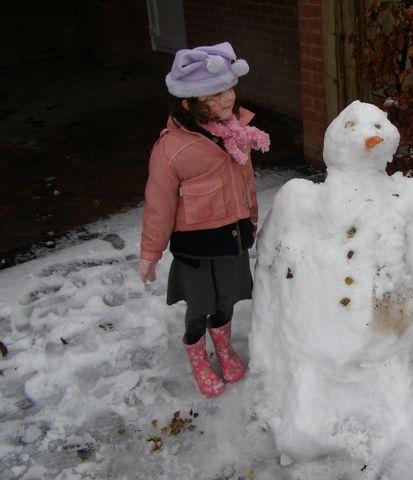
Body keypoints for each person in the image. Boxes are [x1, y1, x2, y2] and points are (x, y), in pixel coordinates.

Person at [139, 42, 269, 397]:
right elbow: (159, 205)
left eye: (229, 88)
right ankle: (197, 354)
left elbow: (245, 183)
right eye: (215, 94)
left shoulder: (237, 134)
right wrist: (150, 253)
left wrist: (251, 221)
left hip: (232, 237)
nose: (228, 98)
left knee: (226, 300)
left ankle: (223, 347)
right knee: (199, 307)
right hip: (195, 248)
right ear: (188, 103)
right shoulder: (172, 149)